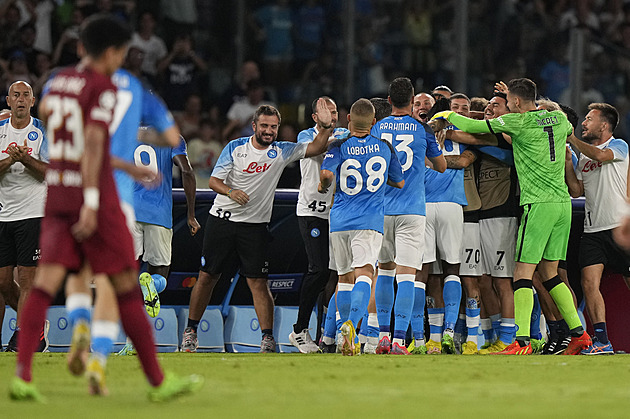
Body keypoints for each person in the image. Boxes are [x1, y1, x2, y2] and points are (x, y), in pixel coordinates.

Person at [9, 14, 202, 402]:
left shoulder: (56, 83)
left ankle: (23, 377)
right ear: (112, 52)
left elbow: (51, 118)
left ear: (81, 47)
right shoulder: (104, 87)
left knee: (45, 284)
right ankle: (157, 381)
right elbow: (96, 143)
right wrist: (95, 203)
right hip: (92, 196)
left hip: (58, 193)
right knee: (127, 287)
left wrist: (126, 164)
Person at [431, 78, 592, 355]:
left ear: (515, 103)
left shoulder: (518, 123)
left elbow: (474, 126)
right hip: (562, 205)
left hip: (538, 204)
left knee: (521, 274)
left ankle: (521, 341)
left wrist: (445, 113)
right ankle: (579, 334)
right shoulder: (557, 118)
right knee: (551, 274)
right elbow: (560, 123)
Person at [182, 101, 334, 353]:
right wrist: (232, 191)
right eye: (264, 125)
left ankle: (267, 339)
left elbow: (317, 146)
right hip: (222, 220)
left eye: (273, 127)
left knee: (259, 282)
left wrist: (327, 126)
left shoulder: (283, 151)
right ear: (253, 126)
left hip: (254, 228)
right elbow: (213, 181)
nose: (269, 131)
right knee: (208, 277)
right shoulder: (235, 147)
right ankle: (190, 331)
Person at [319, 98, 404, 356]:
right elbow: (399, 183)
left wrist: (324, 187)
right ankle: (352, 328)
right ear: (374, 122)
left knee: (343, 277)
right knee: (365, 273)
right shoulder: (384, 147)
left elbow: (325, 176)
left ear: (348, 120)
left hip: (340, 220)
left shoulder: (338, 145)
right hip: (369, 221)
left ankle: (343, 332)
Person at [372, 77, 445, 355]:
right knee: (407, 275)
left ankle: (382, 336)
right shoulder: (422, 129)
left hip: (381, 211)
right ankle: (401, 340)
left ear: (388, 101)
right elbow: (439, 166)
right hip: (411, 210)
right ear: (412, 100)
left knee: (385, 272)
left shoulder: (377, 128)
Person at [565, 103, 628, 355]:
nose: (584, 123)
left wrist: (571, 139)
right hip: (592, 230)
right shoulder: (582, 156)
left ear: (604, 125)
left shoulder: (619, 146)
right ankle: (602, 342)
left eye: (589, 119)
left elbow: (601, 157)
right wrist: (570, 163)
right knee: (589, 282)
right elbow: (576, 191)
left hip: (619, 229)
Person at [289, 96, 349, 353]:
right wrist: (327, 129)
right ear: (315, 117)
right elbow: (315, 148)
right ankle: (299, 330)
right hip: (312, 212)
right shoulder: (305, 135)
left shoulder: (345, 133)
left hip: (339, 213)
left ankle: (326, 333)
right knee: (318, 270)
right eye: (326, 112)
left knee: (336, 274)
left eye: (334, 111)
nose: (332, 116)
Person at [0, 81, 49, 353]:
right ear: (8, 100)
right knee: (3, 282)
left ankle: (25, 336)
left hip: (33, 213)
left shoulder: (43, 131)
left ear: (32, 101)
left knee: (29, 280)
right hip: (2, 213)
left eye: (25, 95)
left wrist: (26, 160)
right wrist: (10, 160)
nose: (20, 100)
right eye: (15, 95)